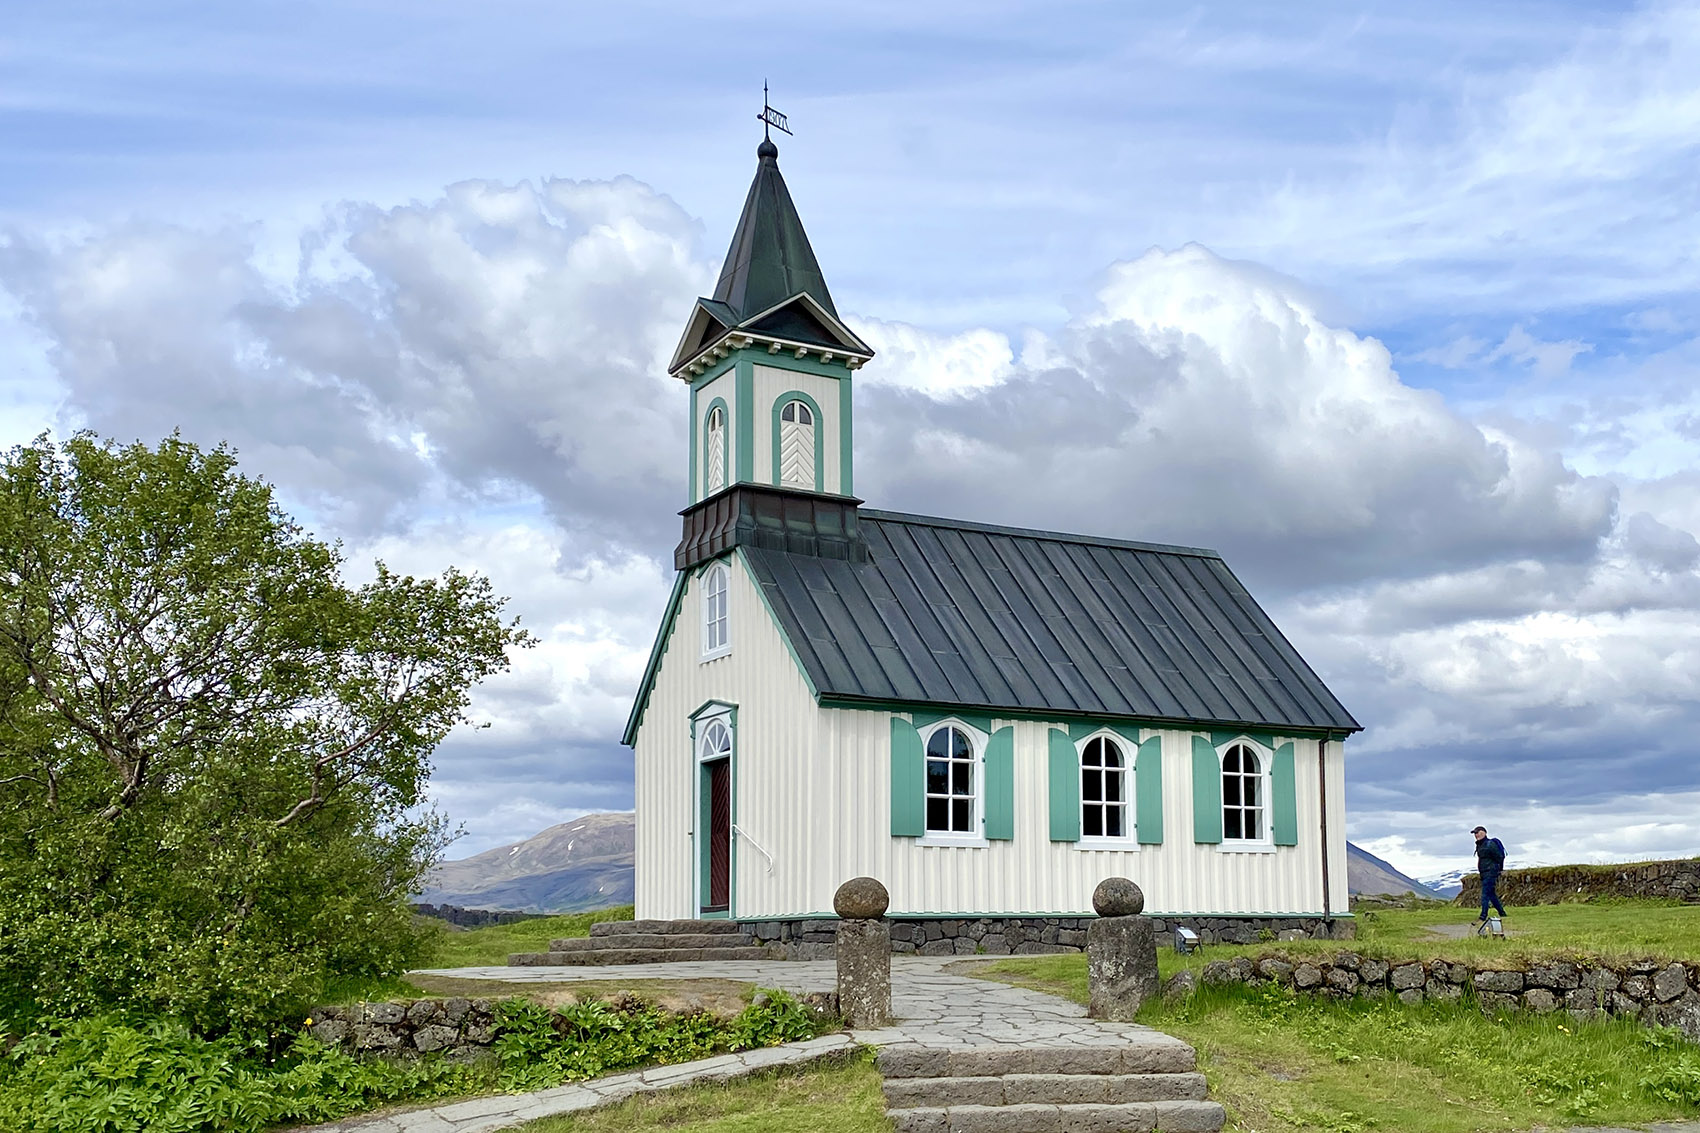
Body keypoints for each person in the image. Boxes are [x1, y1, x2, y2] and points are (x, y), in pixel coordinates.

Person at [1472, 825, 1507, 924]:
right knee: (1491, 894)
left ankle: (1483, 916)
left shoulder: (1490, 844)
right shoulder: (1480, 845)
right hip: (1484, 872)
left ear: (1484, 833)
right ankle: (1502, 912)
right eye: (1475, 833)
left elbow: (1499, 857)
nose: (1476, 835)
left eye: (1478, 832)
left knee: (1485, 894)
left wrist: (1497, 869)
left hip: (1490, 872)